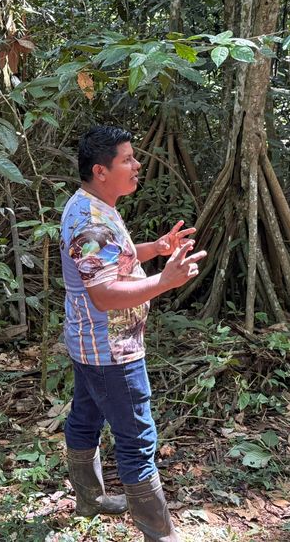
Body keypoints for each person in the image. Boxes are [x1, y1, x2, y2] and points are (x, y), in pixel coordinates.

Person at [59, 125, 206, 541]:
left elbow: (111, 259)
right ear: (100, 170)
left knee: (86, 418)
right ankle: (160, 535)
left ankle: (89, 500)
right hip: (111, 351)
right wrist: (164, 280)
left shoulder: (94, 206)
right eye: (127, 159)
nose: (137, 164)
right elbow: (104, 293)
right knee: (138, 439)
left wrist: (154, 249)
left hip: (90, 343)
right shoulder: (89, 219)